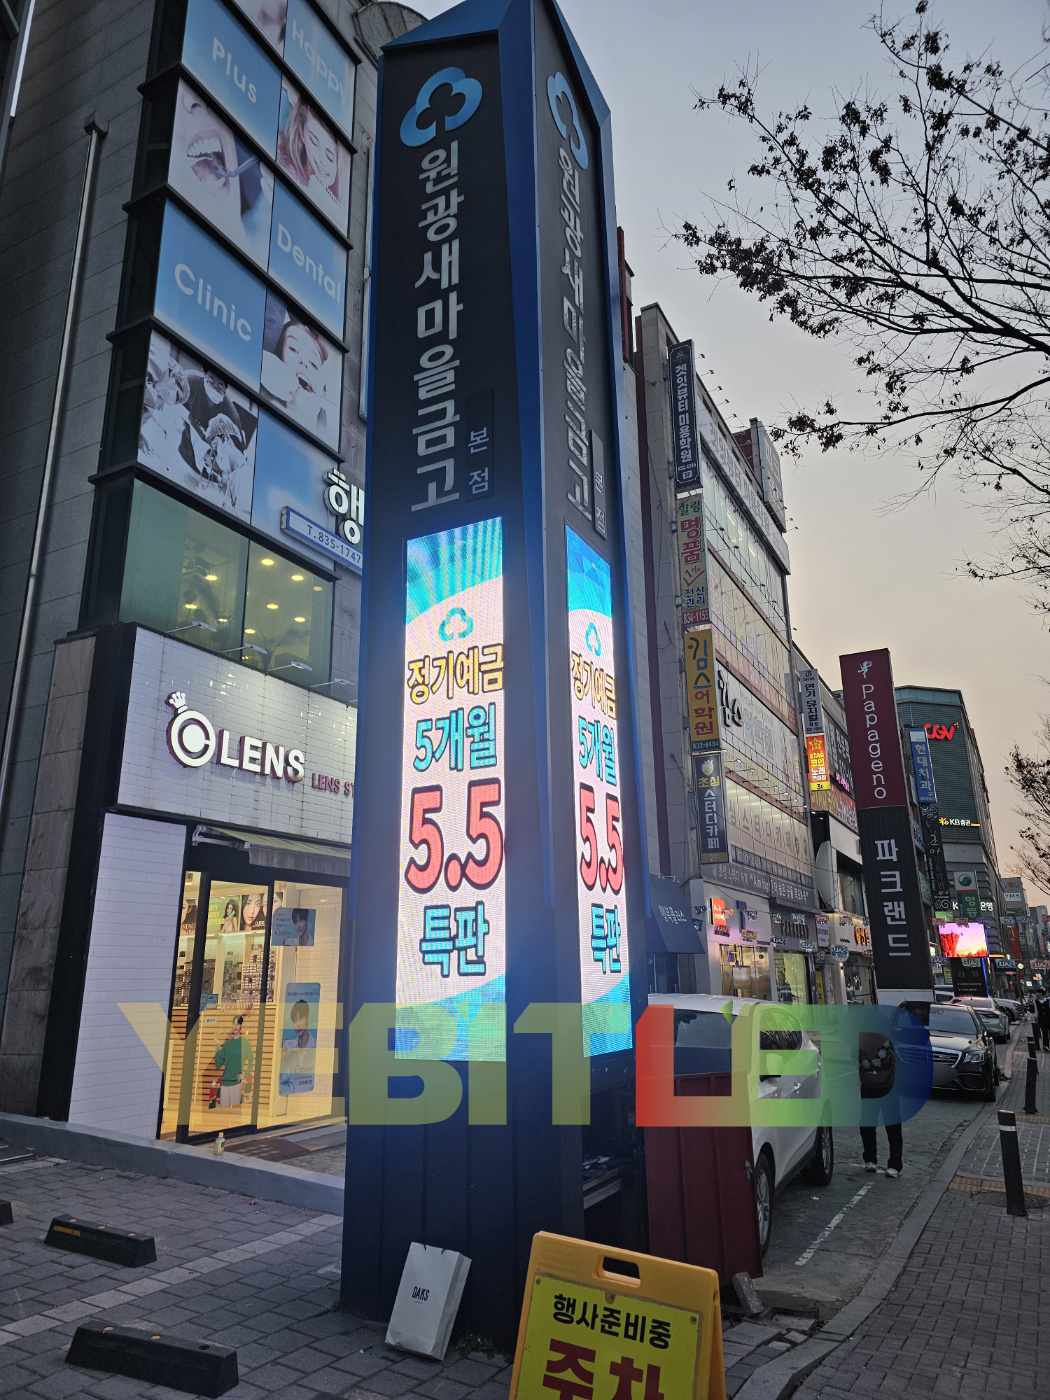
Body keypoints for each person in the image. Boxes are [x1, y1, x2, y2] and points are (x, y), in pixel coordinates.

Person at [277, 90, 343, 216]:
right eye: (313, 141)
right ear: (302, 133)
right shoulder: (285, 168)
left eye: (330, 157)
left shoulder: (342, 208)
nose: (321, 160)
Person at [858, 1030, 903, 1177]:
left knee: (893, 1127)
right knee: (867, 1125)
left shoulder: (885, 1041)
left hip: (887, 1088)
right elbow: (858, 1060)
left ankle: (895, 1165)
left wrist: (868, 1064)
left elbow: (884, 1063)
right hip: (868, 1087)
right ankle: (870, 1159)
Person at [213, 1016, 253, 1108]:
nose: (235, 1027)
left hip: (236, 1084)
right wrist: (217, 1045)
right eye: (234, 1024)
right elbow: (218, 1065)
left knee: (235, 1111)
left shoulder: (245, 1043)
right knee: (224, 1112)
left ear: (241, 1025)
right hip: (224, 1084)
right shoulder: (228, 1044)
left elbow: (251, 1062)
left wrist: (244, 1075)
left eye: (237, 1024)